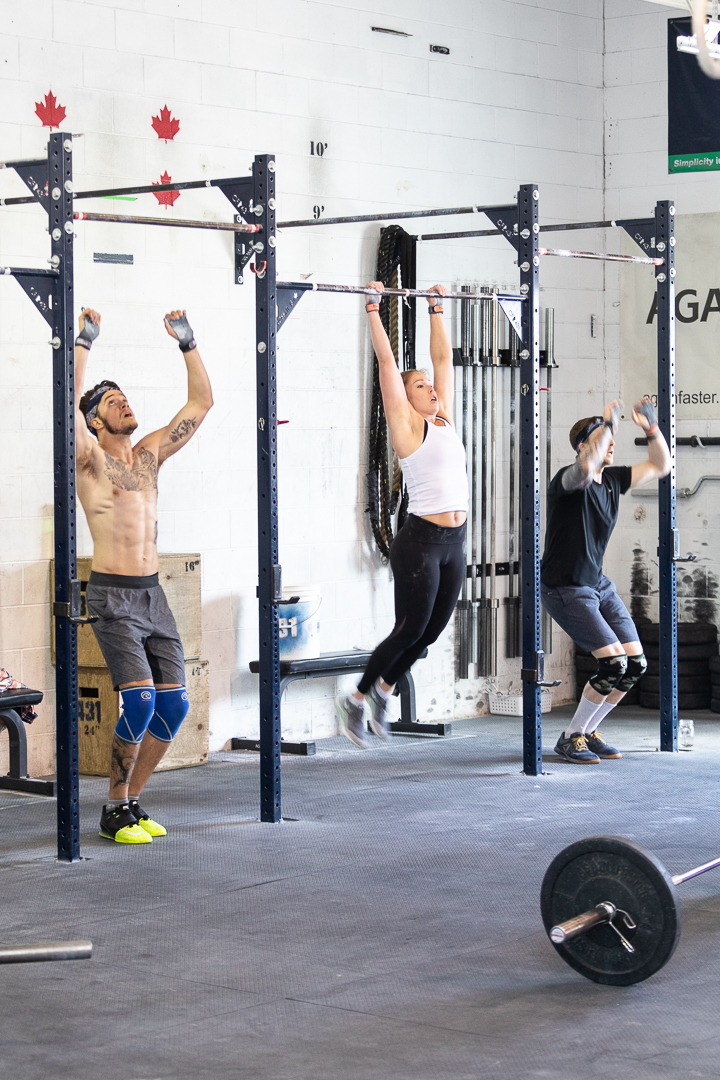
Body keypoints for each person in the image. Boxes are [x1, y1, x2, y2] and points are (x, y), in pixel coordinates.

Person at [75, 307, 213, 843]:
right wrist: (83, 343)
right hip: (112, 597)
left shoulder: (149, 456)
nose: (124, 403)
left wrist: (188, 342)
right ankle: (113, 809)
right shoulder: (89, 460)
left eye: (125, 397)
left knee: (174, 704)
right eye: (112, 402)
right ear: (95, 421)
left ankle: (131, 802)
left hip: (154, 596)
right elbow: (64, 408)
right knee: (139, 700)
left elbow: (200, 403)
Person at [335, 283, 468, 747]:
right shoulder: (407, 426)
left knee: (428, 635)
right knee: (409, 629)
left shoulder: (444, 419)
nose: (430, 388)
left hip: (455, 544)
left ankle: (384, 691)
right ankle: (356, 699)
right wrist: (374, 307)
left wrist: (436, 308)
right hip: (421, 543)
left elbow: (443, 359)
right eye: (420, 386)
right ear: (405, 399)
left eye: (429, 384)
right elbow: (387, 364)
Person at [541, 397, 670, 764]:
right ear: (583, 445)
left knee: (636, 664)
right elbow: (584, 470)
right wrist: (608, 424)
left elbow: (661, 465)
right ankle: (571, 738)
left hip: (597, 584)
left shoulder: (613, 480)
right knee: (613, 663)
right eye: (602, 438)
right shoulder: (567, 480)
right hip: (565, 587)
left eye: (612, 438)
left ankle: (585, 731)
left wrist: (652, 429)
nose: (611, 442)